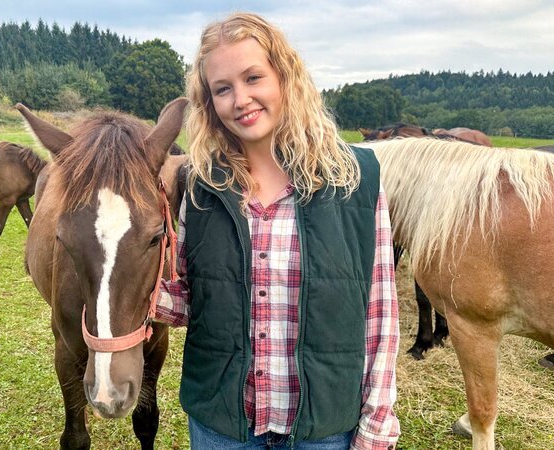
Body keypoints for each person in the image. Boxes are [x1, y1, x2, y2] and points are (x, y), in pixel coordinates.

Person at [155, 12, 400, 449]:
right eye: (222, 89)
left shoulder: (354, 179)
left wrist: (377, 420)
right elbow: (193, 303)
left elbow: (379, 311)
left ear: (285, 76)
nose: (240, 99)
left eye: (253, 78)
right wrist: (126, 285)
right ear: (209, 103)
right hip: (223, 427)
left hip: (324, 429)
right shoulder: (201, 185)